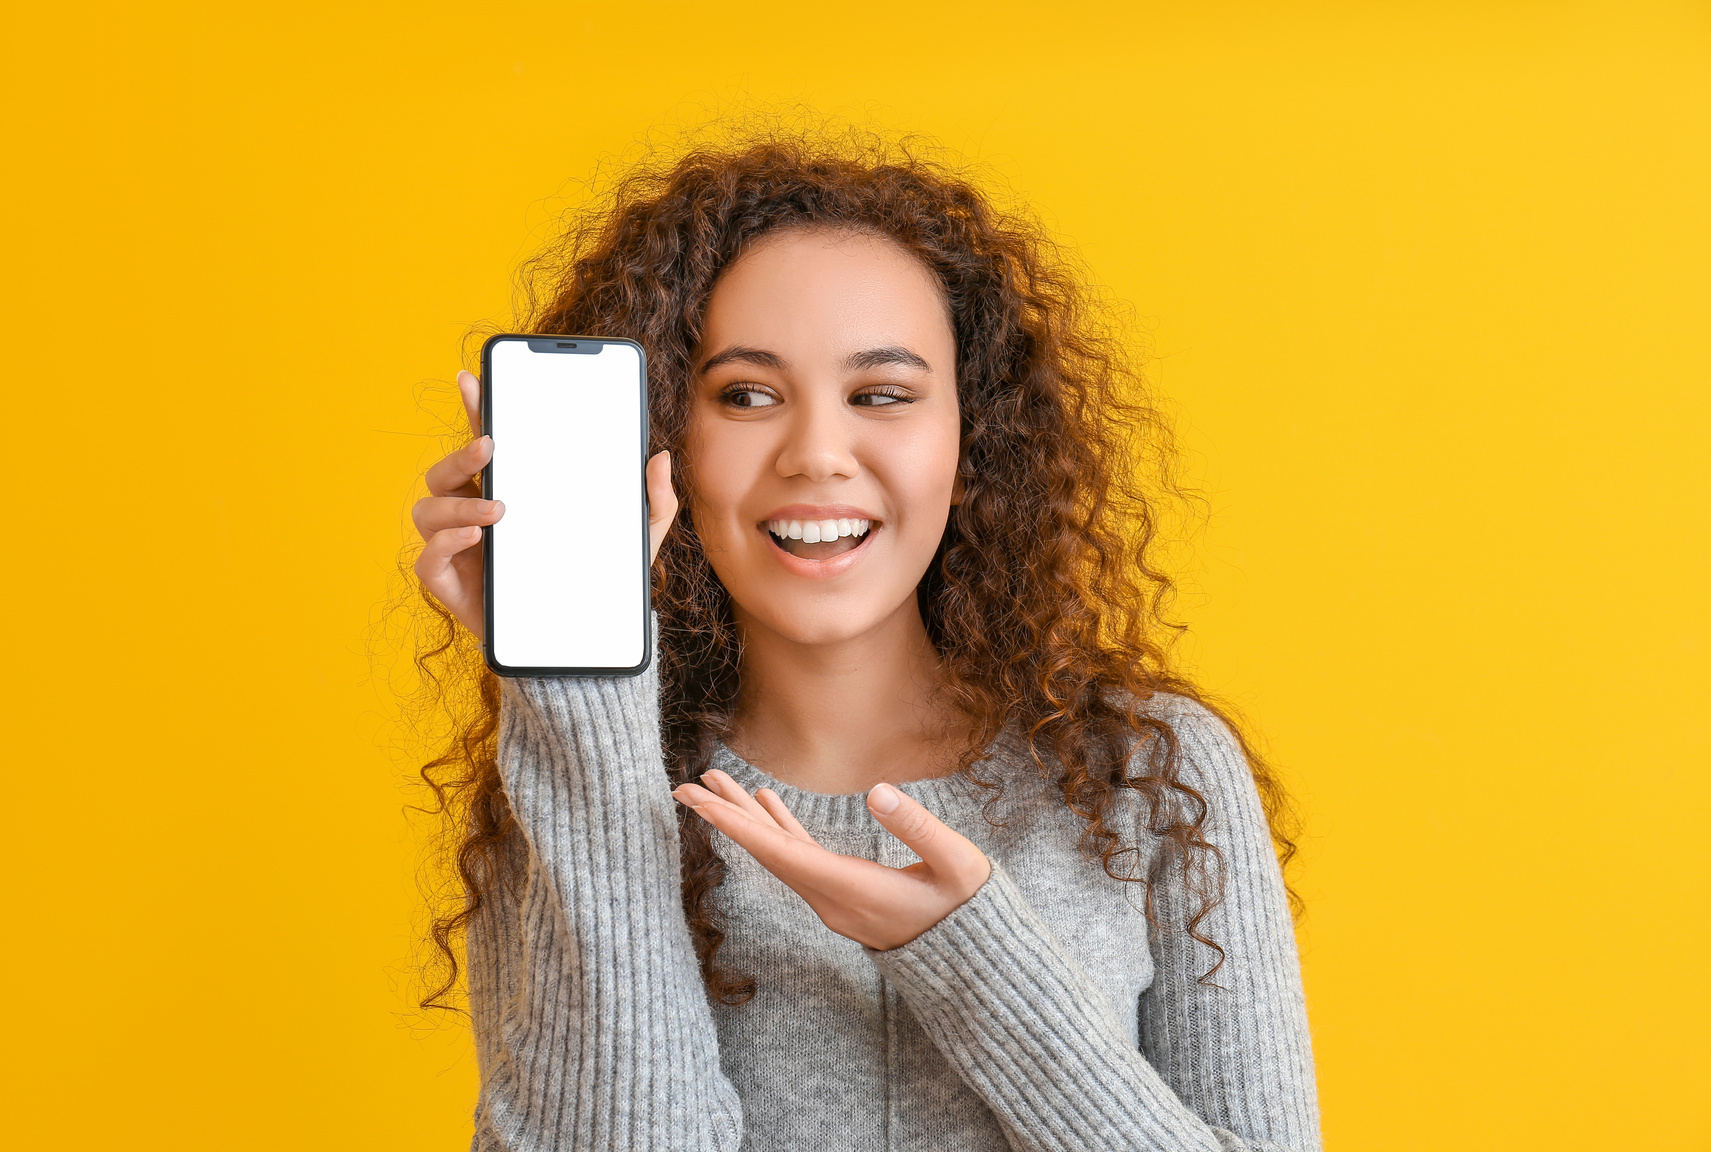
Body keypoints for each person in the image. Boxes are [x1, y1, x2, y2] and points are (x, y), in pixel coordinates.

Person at [409, 135, 1321, 1152]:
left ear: (973, 439)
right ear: (666, 437)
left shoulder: (1148, 774)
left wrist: (970, 955)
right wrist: (576, 697)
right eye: (746, 395)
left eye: (882, 394)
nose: (817, 456)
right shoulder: (576, 779)